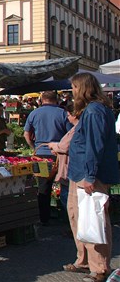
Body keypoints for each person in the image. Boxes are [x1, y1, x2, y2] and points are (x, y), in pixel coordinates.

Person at [63, 73, 119, 282]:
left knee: (94, 220)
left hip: (88, 175)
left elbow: (94, 146)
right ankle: (84, 260)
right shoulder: (91, 110)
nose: (73, 92)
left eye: (75, 88)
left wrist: (90, 175)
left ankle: (100, 268)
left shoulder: (95, 111)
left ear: (83, 88)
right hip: (79, 172)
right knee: (78, 218)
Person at [23, 90, 71, 225]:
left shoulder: (34, 113)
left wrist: (34, 147)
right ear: (56, 100)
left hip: (41, 155)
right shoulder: (62, 113)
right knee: (64, 184)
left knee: (43, 187)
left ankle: (44, 218)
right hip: (59, 155)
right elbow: (70, 134)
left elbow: (26, 134)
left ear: (42, 99)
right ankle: (66, 219)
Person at [46, 110, 78, 212]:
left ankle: (70, 215)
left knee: (67, 192)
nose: (67, 118)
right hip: (69, 165)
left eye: (69, 115)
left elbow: (64, 146)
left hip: (69, 166)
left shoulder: (76, 130)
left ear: (75, 115)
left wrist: (54, 146)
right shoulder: (75, 129)